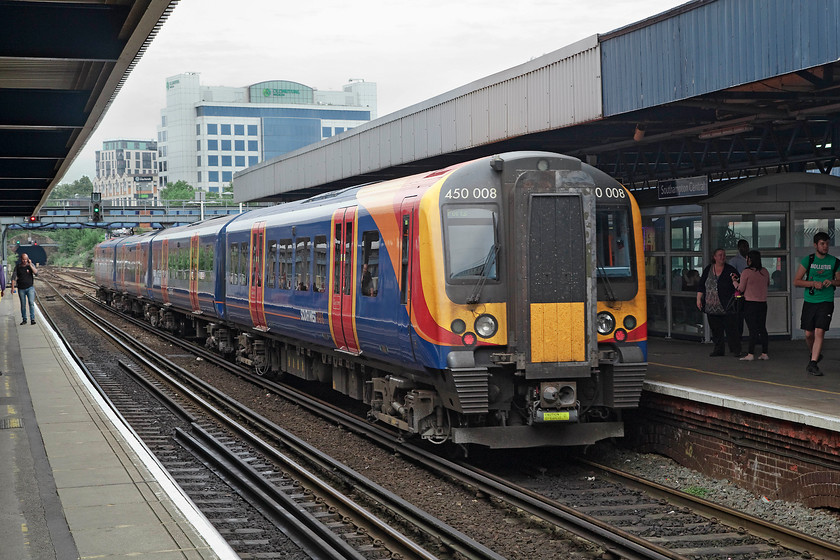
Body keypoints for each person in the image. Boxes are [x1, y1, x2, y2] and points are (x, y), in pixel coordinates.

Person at [793, 231, 840, 376]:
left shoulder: (835, 261)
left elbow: (839, 281)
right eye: (822, 243)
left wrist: (831, 282)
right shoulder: (809, 260)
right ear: (815, 245)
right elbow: (796, 281)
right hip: (810, 301)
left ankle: (813, 364)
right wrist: (813, 283)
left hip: (826, 301)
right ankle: (814, 353)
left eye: (827, 243)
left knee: (820, 331)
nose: (825, 246)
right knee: (808, 334)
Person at [697, 248, 741, 357]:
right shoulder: (708, 269)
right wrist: (699, 299)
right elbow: (702, 285)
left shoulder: (730, 270)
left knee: (731, 328)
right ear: (714, 257)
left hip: (726, 305)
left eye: (724, 255)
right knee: (716, 329)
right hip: (711, 305)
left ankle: (735, 349)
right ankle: (719, 349)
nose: (722, 257)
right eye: (720, 255)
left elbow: (738, 285)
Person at [732, 250, 770, 361]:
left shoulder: (746, 272)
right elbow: (767, 284)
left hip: (750, 304)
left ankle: (750, 353)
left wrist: (734, 281)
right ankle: (764, 353)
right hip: (763, 303)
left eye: (747, 258)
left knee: (752, 329)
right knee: (762, 328)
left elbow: (740, 289)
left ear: (750, 259)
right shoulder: (765, 271)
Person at [11, 253, 38, 325]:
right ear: (21, 259)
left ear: (28, 259)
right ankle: (24, 319)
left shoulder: (31, 266)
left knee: (31, 303)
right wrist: (12, 288)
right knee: (23, 305)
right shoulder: (18, 267)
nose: (24, 261)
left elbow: (36, 273)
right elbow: (13, 277)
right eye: (23, 259)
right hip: (21, 288)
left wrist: (30, 265)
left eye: (26, 259)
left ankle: (32, 319)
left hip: (30, 288)